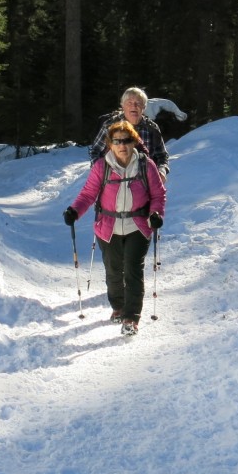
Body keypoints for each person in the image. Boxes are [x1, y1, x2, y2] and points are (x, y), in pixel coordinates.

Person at [64, 120, 167, 335]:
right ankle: (118, 307)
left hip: (137, 225)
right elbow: (88, 194)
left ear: (134, 142)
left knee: (132, 270)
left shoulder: (145, 165)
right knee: (113, 271)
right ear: (110, 144)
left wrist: (155, 214)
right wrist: (75, 211)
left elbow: (158, 195)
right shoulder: (102, 166)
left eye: (127, 140)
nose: (122, 145)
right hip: (108, 227)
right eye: (117, 141)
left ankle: (131, 318)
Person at [89, 87, 170, 181]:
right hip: (112, 181)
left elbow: (162, 156)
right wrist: (99, 172)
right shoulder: (110, 125)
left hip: (144, 182)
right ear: (122, 105)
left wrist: (161, 172)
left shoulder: (151, 128)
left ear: (144, 107)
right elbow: (95, 151)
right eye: (129, 103)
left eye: (138, 103)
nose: (134, 106)